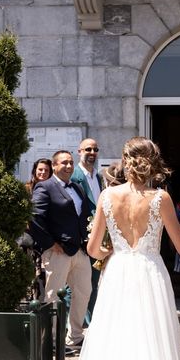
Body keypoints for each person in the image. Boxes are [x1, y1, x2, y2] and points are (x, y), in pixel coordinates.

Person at [71, 137, 180, 360]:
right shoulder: (161, 199)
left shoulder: (107, 196)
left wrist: (110, 254)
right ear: (152, 163)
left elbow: (92, 248)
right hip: (150, 273)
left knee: (115, 339)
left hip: (118, 273)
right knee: (153, 342)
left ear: (126, 161)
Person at [28, 150, 91, 354]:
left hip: (79, 250)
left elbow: (83, 216)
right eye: (64, 163)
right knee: (53, 295)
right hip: (58, 252)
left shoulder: (78, 188)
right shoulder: (45, 187)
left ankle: (75, 337)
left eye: (71, 162)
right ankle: (53, 342)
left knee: (83, 292)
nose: (69, 166)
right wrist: (49, 243)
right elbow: (35, 217)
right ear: (54, 166)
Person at [71, 138, 104, 327]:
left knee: (93, 280)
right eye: (88, 149)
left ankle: (90, 320)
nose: (92, 152)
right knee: (77, 285)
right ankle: (74, 323)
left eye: (95, 149)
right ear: (79, 151)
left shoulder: (98, 177)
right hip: (80, 238)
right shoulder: (75, 176)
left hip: (96, 237)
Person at [24, 158, 53, 301]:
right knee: (31, 278)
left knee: (47, 277)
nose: (43, 172)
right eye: (40, 169)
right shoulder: (27, 189)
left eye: (46, 170)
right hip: (30, 241)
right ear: (34, 171)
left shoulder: (54, 188)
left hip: (48, 239)